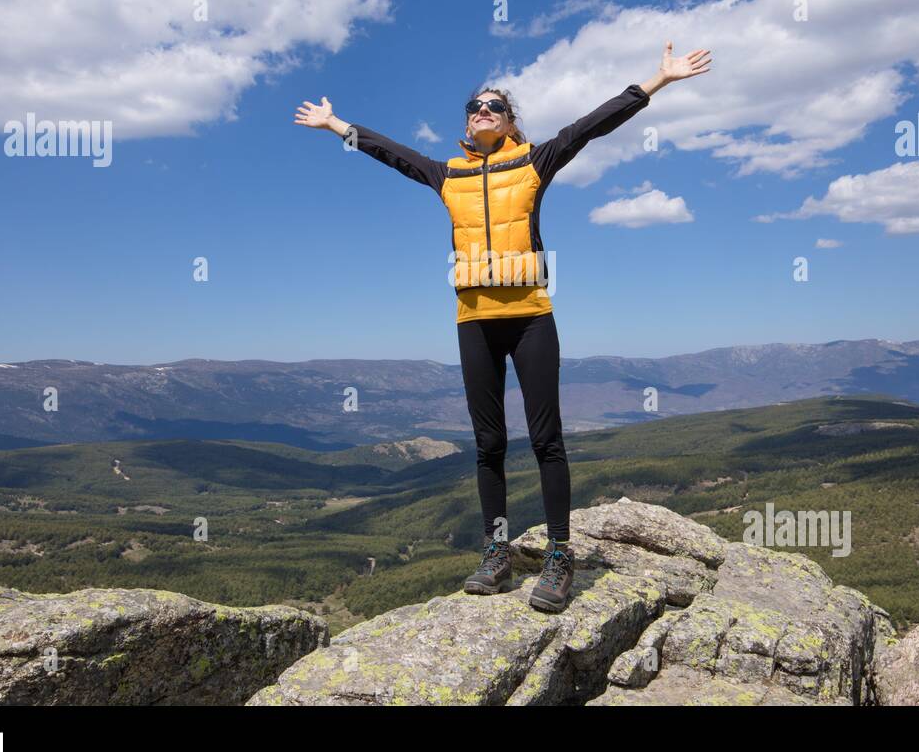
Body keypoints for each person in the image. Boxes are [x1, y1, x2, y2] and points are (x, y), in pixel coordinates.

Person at [294, 41, 711, 611]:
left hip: (531, 319)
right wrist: (334, 124)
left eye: (493, 105)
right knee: (488, 444)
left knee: (547, 440)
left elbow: (593, 125)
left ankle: (560, 556)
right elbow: (389, 152)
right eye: (474, 106)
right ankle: (497, 554)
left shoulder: (536, 161)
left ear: (510, 120)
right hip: (474, 322)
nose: (482, 111)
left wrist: (658, 80)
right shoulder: (447, 175)